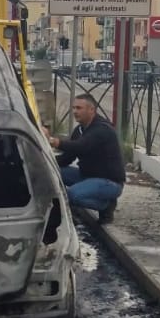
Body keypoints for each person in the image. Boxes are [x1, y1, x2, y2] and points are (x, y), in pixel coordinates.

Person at [45, 92, 126, 223]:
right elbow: (68, 158)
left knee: (73, 195)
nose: (75, 111)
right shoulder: (80, 130)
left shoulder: (102, 129)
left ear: (92, 110)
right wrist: (46, 162)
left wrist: (53, 141)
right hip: (87, 176)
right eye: (74, 108)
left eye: (79, 108)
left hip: (109, 182)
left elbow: (81, 146)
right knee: (52, 172)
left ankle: (106, 206)